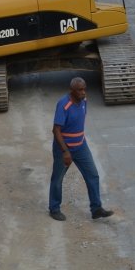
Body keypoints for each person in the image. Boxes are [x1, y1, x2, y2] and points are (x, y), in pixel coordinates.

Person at [48, 77, 114, 222]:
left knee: (93, 175)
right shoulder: (63, 104)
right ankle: (54, 208)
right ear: (72, 90)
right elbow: (56, 130)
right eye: (80, 90)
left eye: (84, 89)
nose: (83, 92)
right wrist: (65, 151)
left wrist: (79, 142)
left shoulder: (84, 101)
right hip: (63, 148)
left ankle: (96, 209)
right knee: (57, 179)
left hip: (81, 146)